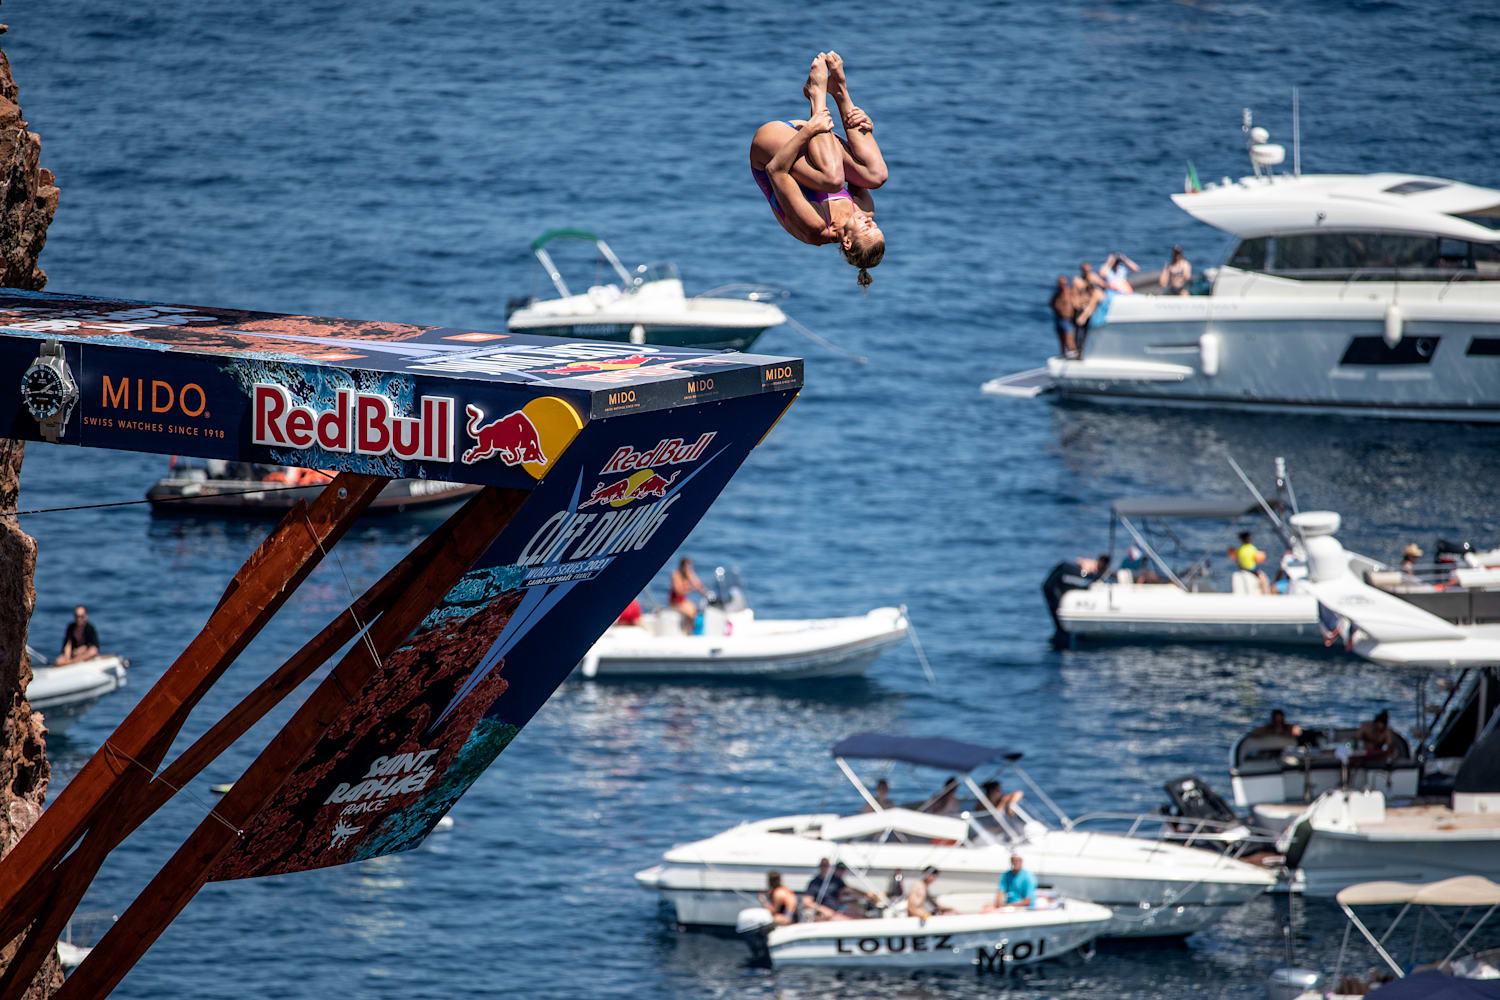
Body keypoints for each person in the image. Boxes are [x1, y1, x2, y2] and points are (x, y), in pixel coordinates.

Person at [749, 52, 887, 289]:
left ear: (846, 242)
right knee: (876, 175)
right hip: (815, 143)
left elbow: (776, 171)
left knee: (833, 180)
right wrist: (867, 130)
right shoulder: (864, 210)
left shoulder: (816, 227)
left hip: (772, 148)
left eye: (866, 227)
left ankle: (817, 95)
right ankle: (839, 91)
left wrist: (809, 130)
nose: (869, 220)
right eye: (875, 225)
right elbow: (860, 165)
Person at [668, 557, 708, 633]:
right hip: (675, 602)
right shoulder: (676, 575)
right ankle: (688, 632)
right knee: (691, 614)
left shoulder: (688, 574)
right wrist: (690, 588)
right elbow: (678, 591)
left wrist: (705, 593)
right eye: (687, 567)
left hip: (683, 601)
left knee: (695, 610)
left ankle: (690, 630)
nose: (689, 569)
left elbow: (698, 584)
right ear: (682, 566)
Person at [1072, 262, 1107, 345]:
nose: (1087, 272)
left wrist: (1094, 284)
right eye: (1085, 270)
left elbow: (1104, 286)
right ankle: (1076, 346)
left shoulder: (1094, 277)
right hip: (1080, 307)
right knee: (1077, 329)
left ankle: (1084, 345)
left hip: (1090, 307)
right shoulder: (1077, 280)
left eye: (1088, 270)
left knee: (1087, 330)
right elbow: (1074, 294)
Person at [1050, 276, 1079, 358]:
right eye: (1060, 283)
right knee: (1061, 339)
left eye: (1063, 283)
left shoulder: (1069, 292)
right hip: (1058, 318)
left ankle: (1074, 355)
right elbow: (1051, 303)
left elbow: (1076, 304)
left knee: (1069, 338)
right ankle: (1063, 355)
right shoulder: (1057, 293)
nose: (1062, 285)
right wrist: (1057, 310)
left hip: (1067, 319)